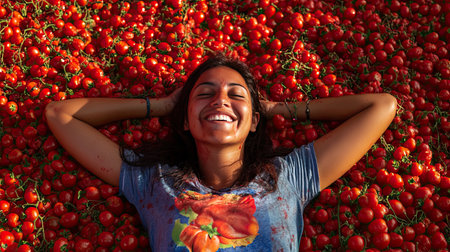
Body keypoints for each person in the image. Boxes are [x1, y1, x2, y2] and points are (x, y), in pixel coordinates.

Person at [45, 54, 397, 251]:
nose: (220, 100)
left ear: (254, 120)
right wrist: (162, 105)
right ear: (184, 119)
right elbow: (60, 115)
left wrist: (278, 109)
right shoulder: (152, 183)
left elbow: (382, 106)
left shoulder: (290, 177)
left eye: (237, 95)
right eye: (205, 94)